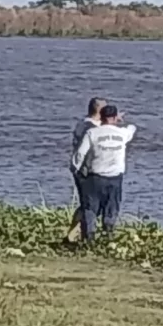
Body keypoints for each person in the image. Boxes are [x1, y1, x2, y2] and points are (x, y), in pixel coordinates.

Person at [71, 105, 136, 242]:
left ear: (101, 117)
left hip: (95, 177)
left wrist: (75, 168)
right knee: (112, 206)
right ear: (114, 118)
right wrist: (120, 121)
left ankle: (90, 238)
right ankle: (109, 235)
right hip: (115, 178)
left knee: (91, 208)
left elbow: (80, 154)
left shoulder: (92, 133)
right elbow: (132, 128)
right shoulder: (122, 133)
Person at [65, 97, 107, 242]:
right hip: (86, 171)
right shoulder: (91, 129)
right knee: (90, 205)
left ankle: (72, 234)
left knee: (86, 204)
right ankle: (82, 236)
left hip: (80, 169)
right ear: (99, 110)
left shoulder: (82, 124)